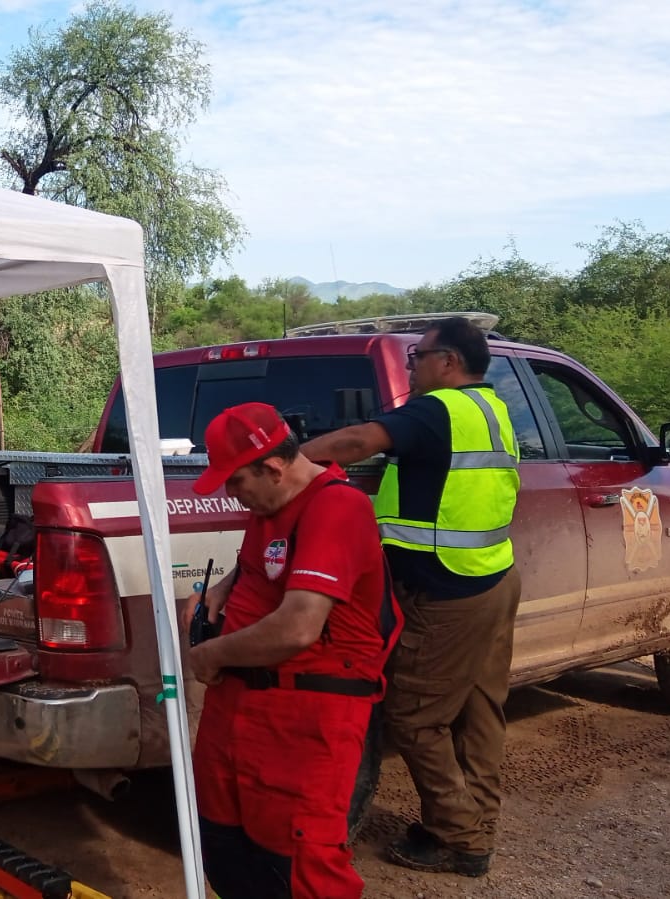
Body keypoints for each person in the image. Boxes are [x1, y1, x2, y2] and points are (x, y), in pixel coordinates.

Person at [300, 316, 521, 877]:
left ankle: (460, 839)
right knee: (479, 713)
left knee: (415, 716)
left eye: (416, 357)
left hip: (446, 590)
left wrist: (286, 462)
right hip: (492, 576)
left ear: (448, 362)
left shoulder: (438, 409)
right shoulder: (490, 409)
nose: (411, 366)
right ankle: (475, 824)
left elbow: (355, 442)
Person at [184, 402, 400, 899]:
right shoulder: (273, 504)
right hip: (241, 707)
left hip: (305, 716)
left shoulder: (336, 508)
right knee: (225, 846)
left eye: (236, 482)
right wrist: (220, 591)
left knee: (298, 865)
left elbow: (299, 626)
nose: (233, 497)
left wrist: (211, 655)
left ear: (273, 467)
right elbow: (268, 564)